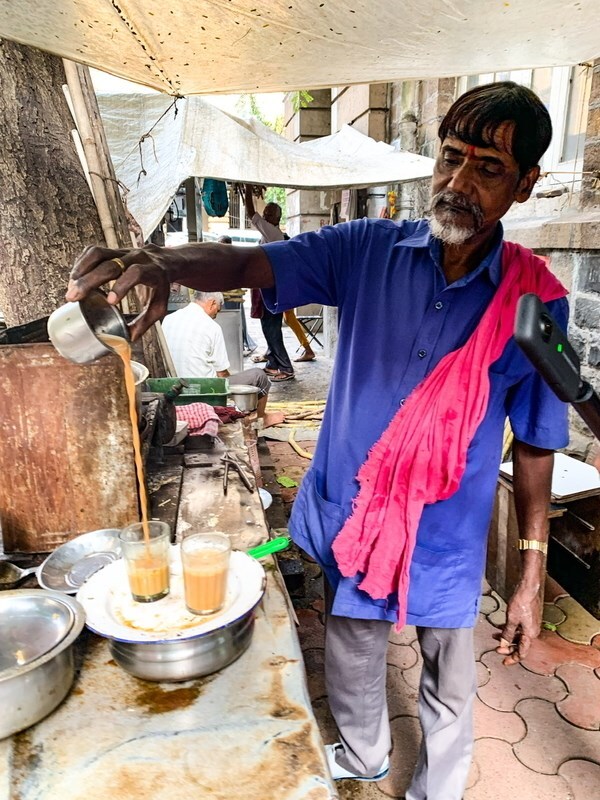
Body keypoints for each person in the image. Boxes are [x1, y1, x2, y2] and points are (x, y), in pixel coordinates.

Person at [67, 82, 569, 800]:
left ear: (525, 185)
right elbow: (247, 266)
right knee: (355, 658)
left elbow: (537, 443)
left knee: (452, 686)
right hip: (353, 520)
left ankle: (438, 789)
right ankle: (364, 761)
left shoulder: (535, 299)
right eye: (450, 158)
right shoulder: (366, 250)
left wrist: (527, 574)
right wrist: (166, 265)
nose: (458, 183)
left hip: (447, 541)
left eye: (487, 168)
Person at [161, 289, 280, 425]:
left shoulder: (169, 319)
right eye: (216, 311)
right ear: (212, 303)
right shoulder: (211, 326)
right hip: (204, 388)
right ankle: (261, 418)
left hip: (174, 386)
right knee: (259, 376)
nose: (215, 316)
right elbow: (222, 374)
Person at [241, 185, 296, 381]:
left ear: (274, 217)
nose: (264, 215)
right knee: (268, 327)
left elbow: (249, 212)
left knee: (272, 329)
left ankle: (286, 367)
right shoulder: (270, 233)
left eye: (268, 213)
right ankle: (273, 362)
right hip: (269, 287)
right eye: (265, 212)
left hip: (271, 288)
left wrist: (247, 188)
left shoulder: (272, 232)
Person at [217, 234, 257, 356]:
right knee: (231, 321)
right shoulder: (221, 258)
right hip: (227, 295)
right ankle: (232, 345)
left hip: (232, 295)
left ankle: (238, 345)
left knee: (235, 321)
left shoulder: (233, 258)